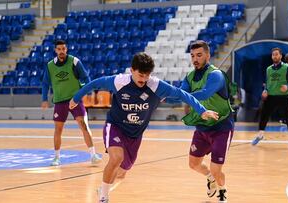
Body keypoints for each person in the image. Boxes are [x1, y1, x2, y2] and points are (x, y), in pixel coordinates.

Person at [69, 52, 219, 203]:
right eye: (140, 75)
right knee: (116, 158)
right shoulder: (119, 81)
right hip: (115, 126)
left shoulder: (156, 86)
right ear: (132, 70)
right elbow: (94, 84)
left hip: (135, 135)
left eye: (147, 75)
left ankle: (103, 189)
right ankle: (103, 198)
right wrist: (76, 98)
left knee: (121, 174)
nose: (143, 79)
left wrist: (202, 110)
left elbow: (182, 94)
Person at [167, 40, 234, 202]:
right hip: (202, 127)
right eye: (192, 56)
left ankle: (222, 194)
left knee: (216, 168)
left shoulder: (216, 75)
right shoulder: (190, 77)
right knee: (194, 164)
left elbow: (204, 94)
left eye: (199, 55)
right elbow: (180, 92)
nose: (195, 59)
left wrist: (178, 96)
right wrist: (164, 96)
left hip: (221, 127)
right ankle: (210, 179)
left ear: (208, 55)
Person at [41, 40, 102, 166]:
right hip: (59, 101)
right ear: (55, 50)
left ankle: (93, 155)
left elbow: (86, 78)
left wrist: (84, 91)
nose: (61, 51)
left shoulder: (74, 61)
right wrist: (44, 99)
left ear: (66, 49)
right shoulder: (50, 65)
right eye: (59, 49)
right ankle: (56, 158)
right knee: (58, 129)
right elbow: (45, 84)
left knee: (83, 125)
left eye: (63, 48)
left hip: (75, 100)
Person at [252, 47, 288, 149]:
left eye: (277, 54)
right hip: (271, 97)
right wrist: (265, 90)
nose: (275, 56)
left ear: (281, 56)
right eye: (273, 54)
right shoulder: (268, 69)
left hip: (283, 97)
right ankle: (260, 135)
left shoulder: (286, 68)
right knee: (263, 116)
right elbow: (268, 83)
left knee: (287, 119)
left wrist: (287, 86)